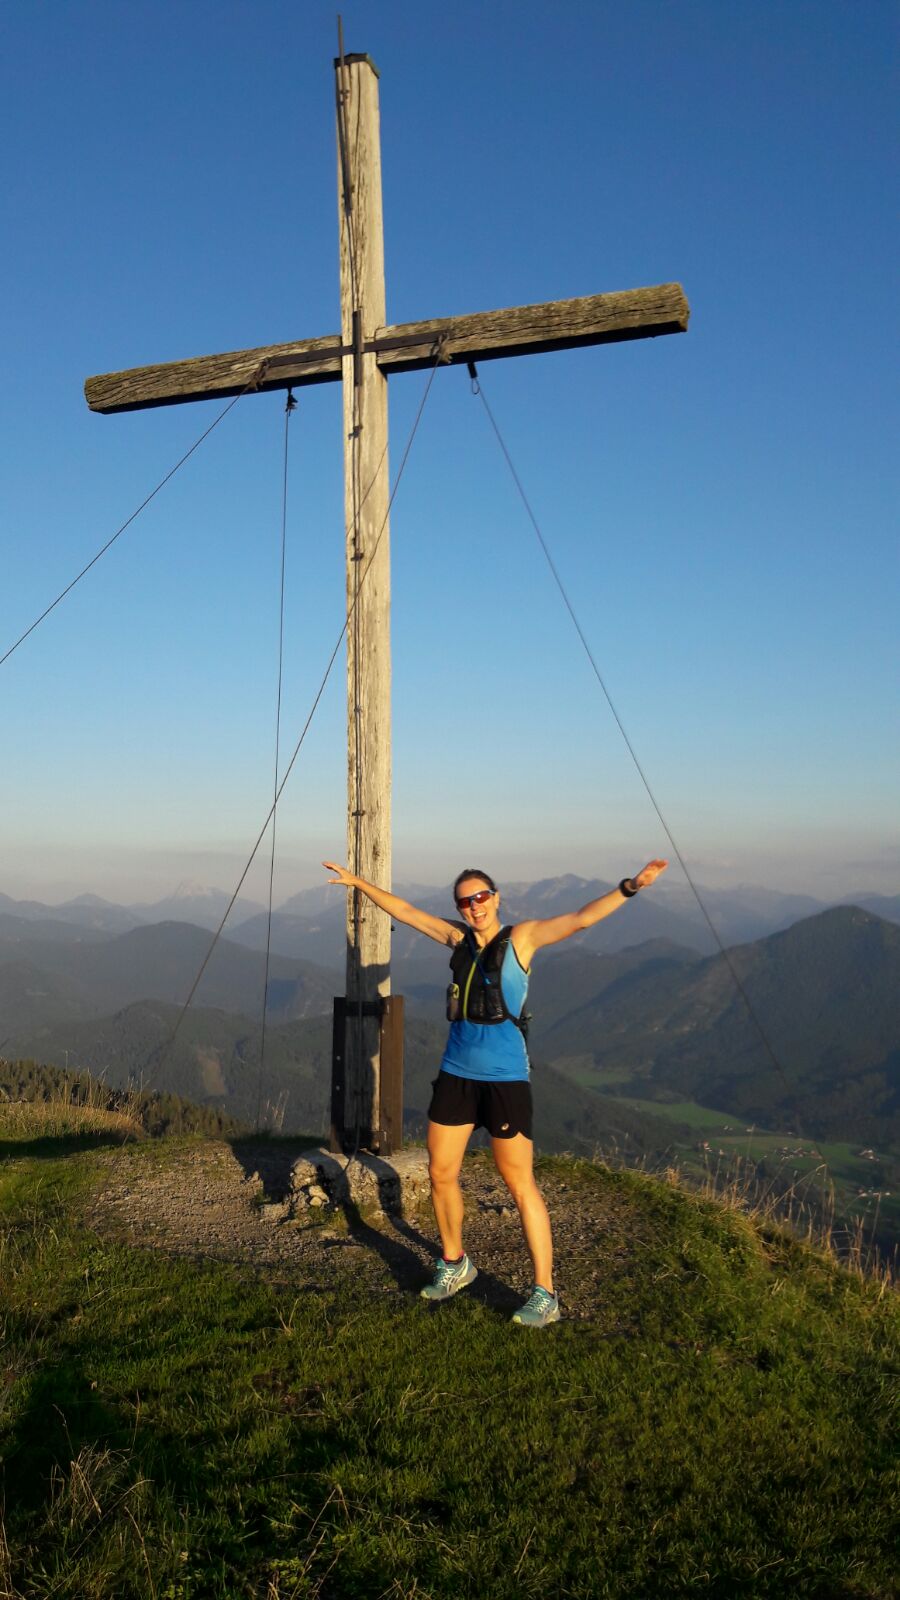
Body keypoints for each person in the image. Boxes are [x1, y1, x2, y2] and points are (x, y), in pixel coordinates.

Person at [323, 857, 668, 1326]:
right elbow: (404, 911)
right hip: (456, 1072)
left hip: (506, 1078)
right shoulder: (456, 938)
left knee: (519, 1184)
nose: (474, 906)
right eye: (465, 901)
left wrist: (631, 886)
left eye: (481, 897)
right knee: (441, 1171)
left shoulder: (522, 939)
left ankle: (545, 1292)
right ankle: (454, 1263)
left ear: (496, 898)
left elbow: (581, 919)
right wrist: (357, 883)